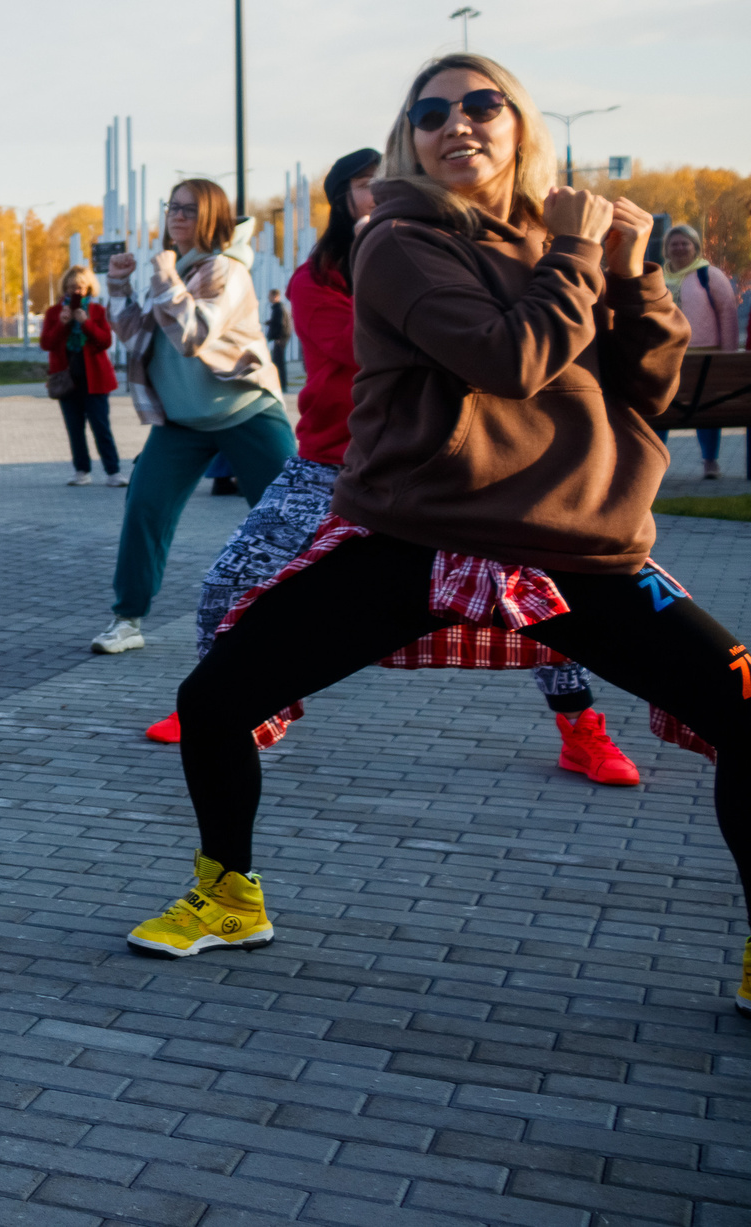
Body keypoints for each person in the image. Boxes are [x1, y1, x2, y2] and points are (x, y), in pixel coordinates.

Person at [124, 55, 751, 1016]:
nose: (457, 122)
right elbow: (510, 359)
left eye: (482, 104)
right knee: (214, 700)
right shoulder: (399, 239)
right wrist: (578, 253)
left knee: (743, 708)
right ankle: (229, 896)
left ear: (520, 123)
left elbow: (651, 384)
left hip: (571, 542)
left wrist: (633, 274)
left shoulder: (562, 240)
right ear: (408, 139)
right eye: (431, 111)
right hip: (424, 532)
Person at [143, 146, 642, 786]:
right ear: (341, 198)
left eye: (392, 177)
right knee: (227, 581)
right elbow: (378, 348)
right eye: (364, 183)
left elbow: (520, 347)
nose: (381, 188)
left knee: (544, 604)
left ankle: (581, 728)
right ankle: (224, 704)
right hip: (334, 466)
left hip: (460, 470)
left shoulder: (468, 254)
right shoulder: (318, 277)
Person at [89, 180, 294, 655]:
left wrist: (164, 277)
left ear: (212, 217)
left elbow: (192, 334)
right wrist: (118, 284)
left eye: (190, 209)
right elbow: (136, 335)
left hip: (245, 410)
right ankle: (127, 620)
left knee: (287, 519)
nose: (177, 216)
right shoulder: (177, 269)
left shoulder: (226, 269)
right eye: (173, 207)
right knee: (145, 509)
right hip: (182, 422)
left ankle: (319, 615)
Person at [659, 221, 738, 480]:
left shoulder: (710, 275)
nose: (680, 248)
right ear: (666, 249)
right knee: (661, 409)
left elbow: (727, 314)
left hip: (705, 356)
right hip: (665, 356)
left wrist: (728, 357)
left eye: (685, 243)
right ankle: (654, 464)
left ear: (696, 247)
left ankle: (710, 462)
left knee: (706, 410)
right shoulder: (656, 277)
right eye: (674, 244)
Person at [40, 267, 122, 486]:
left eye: (80, 288)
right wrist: (62, 323)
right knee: (75, 430)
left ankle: (113, 472)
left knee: (101, 428)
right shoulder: (54, 312)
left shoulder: (97, 311)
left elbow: (105, 341)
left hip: (95, 380)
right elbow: (46, 343)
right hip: (67, 382)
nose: (75, 292)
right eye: (71, 288)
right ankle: (81, 471)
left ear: (88, 289)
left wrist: (86, 323)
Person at [264, 287, 291, 372]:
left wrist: (278, 338)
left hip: (280, 339)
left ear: (275, 296)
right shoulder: (278, 308)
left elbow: (281, 324)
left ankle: (281, 380)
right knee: (278, 361)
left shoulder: (279, 309)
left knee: (278, 362)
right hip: (281, 338)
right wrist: (270, 322)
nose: (269, 298)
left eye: (270, 296)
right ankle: (280, 379)